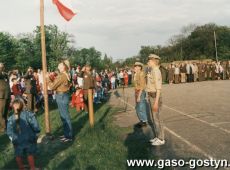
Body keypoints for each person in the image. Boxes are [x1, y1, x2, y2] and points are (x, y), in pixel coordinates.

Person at [7, 98, 40, 170]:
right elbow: (35, 125)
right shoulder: (29, 114)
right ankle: (32, 168)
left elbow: (9, 131)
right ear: (23, 106)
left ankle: (21, 167)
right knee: (30, 153)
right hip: (29, 138)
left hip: (17, 140)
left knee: (18, 153)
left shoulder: (10, 119)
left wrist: (12, 138)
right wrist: (37, 132)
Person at [48, 61, 73, 142]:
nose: (58, 65)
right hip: (63, 95)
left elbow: (52, 87)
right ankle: (67, 134)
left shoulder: (62, 76)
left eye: (60, 64)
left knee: (65, 116)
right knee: (64, 116)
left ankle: (69, 136)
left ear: (63, 67)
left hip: (61, 96)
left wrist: (47, 79)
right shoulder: (64, 74)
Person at [146, 54, 165, 146]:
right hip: (151, 96)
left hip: (155, 97)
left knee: (158, 118)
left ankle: (161, 138)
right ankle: (157, 136)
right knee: (154, 118)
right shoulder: (151, 70)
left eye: (149, 61)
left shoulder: (156, 71)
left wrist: (156, 102)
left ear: (153, 61)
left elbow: (158, 89)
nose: (147, 62)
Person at [133, 62, 148, 128]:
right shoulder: (136, 74)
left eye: (136, 66)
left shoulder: (141, 74)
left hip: (141, 92)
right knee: (137, 107)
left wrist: (139, 96)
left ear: (140, 67)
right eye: (135, 66)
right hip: (136, 91)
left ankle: (144, 121)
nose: (135, 67)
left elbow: (142, 86)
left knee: (141, 107)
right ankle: (141, 120)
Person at [0, 63, 11, 133]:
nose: (3, 67)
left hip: (7, 95)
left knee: (6, 112)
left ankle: (6, 126)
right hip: (1, 96)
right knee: (1, 112)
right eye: (1, 66)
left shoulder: (5, 74)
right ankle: (3, 127)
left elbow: (7, 82)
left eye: (3, 66)